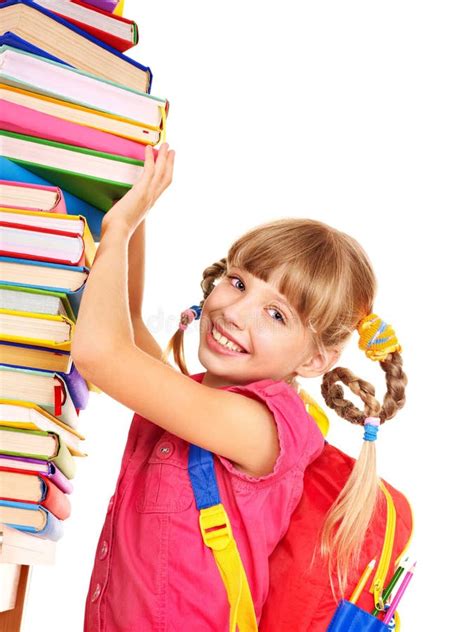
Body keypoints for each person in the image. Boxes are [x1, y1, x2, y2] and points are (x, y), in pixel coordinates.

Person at [72, 144, 406, 631]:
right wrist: (135, 202)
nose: (235, 311)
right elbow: (127, 321)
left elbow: (102, 353)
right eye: (238, 282)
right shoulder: (200, 401)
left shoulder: (261, 426)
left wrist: (119, 228)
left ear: (316, 359)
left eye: (276, 314)